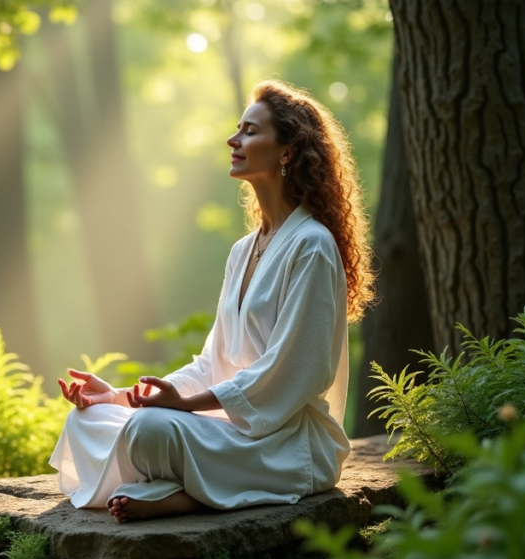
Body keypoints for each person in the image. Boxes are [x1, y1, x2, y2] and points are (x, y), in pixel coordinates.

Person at [49, 79, 376, 523]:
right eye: (238, 128)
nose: (233, 139)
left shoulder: (312, 246)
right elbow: (211, 363)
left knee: (151, 431)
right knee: (87, 421)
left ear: (288, 151)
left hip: (286, 441)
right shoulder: (244, 250)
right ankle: (183, 487)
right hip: (228, 429)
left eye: (250, 131)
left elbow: (297, 370)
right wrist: (122, 397)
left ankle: (184, 494)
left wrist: (183, 407)